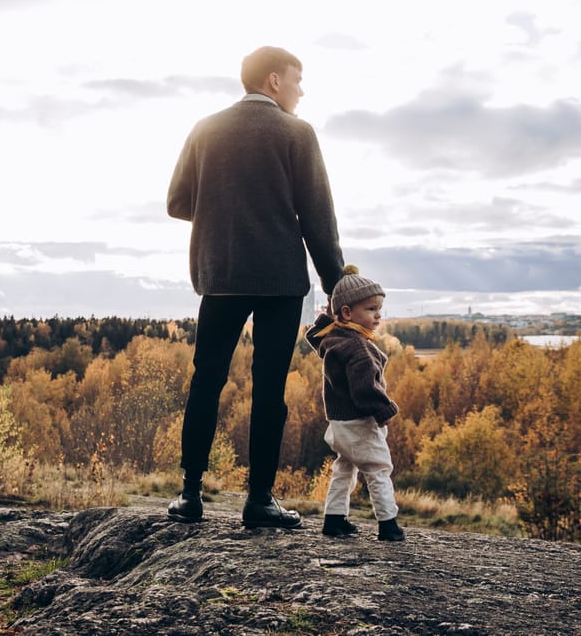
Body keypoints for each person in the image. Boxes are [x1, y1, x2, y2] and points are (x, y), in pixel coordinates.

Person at [166, 45, 346, 529]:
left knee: (206, 382)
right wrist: (336, 285)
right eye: (297, 80)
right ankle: (260, 500)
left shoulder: (205, 129)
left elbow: (177, 202)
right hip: (280, 281)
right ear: (273, 81)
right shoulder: (297, 133)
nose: (301, 91)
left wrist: (223, 209)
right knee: (270, 389)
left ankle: (190, 495)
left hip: (221, 275)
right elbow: (318, 218)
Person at [304, 265, 405, 541]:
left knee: (344, 468)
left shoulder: (334, 339)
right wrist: (385, 410)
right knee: (378, 469)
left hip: (338, 424)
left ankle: (334, 519)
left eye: (379, 309)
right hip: (360, 423)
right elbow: (365, 389)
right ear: (347, 313)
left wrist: (331, 313)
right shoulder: (358, 348)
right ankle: (388, 525)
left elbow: (313, 335)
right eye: (371, 309)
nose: (378, 315)